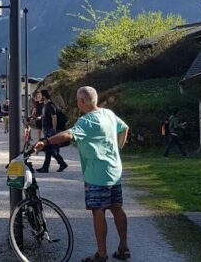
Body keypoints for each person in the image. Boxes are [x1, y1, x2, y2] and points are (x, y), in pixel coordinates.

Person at [35, 86, 130, 262]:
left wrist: (46, 141)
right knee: (117, 208)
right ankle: (124, 248)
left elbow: (68, 134)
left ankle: (101, 254)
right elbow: (124, 128)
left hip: (96, 174)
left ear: (82, 102)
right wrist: (118, 149)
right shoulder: (108, 114)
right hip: (115, 170)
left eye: (78, 100)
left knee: (98, 210)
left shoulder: (86, 121)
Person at [35, 90, 67, 173]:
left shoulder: (50, 105)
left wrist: (54, 130)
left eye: (40, 95)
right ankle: (61, 163)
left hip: (50, 131)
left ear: (44, 96)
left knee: (49, 149)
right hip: (46, 130)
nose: (38, 97)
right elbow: (45, 115)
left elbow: (54, 117)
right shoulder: (45, 105)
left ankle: (46, 168)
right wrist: (40, 117)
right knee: (50, 149)